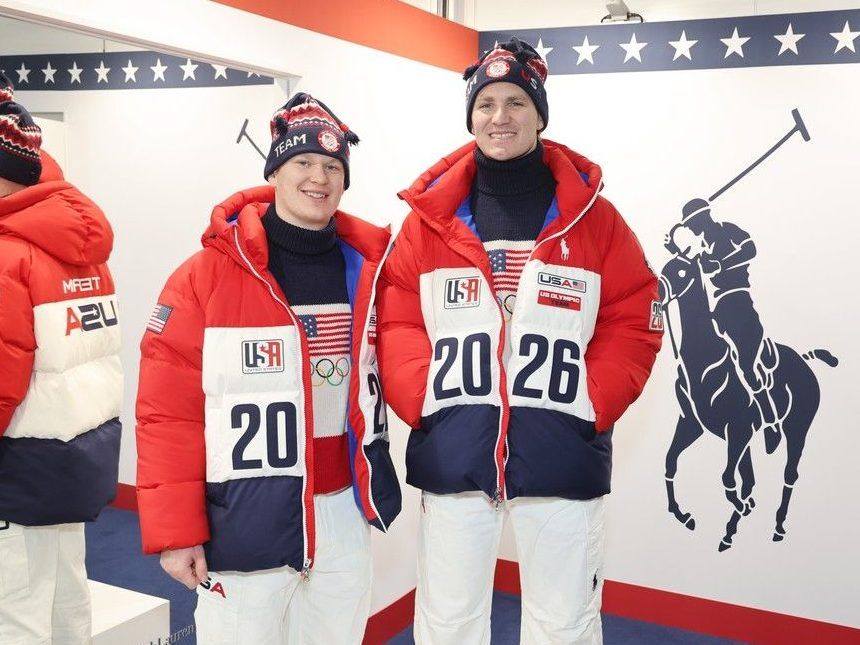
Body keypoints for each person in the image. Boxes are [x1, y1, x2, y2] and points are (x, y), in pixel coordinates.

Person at [377, 38, 662, 644]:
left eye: (514, 102)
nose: (499, 117)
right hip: (456, 451)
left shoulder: (594, 217)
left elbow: (634, 316)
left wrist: (592, 399)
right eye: (485, 104)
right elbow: (398, 319)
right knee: (447, 623)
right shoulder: (428, 220)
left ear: (539, 115)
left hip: (561, 449)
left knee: (564, 626)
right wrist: (425, 402)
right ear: (470, 115)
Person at [135, 92, 400, 644]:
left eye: (332, 166)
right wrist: (177, 532)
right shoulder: (204, 276)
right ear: (275, 170)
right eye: (303, 162)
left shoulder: (370, 271)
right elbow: (167, 415)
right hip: (243, 515)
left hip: (342, 512)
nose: (319, 177)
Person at [0, 71, 122, 644]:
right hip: (68, 461)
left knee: (15, 618)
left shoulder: (7, 250)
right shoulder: (77, 244)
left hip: (15, 471)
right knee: (66, 604)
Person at [667, 197, 781, 451]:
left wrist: (721, 264)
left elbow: (750, 249)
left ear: (703, 218)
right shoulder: (702, 247)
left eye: (693, 223)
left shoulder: (728, 230)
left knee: (746, 366)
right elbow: (692, 271)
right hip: (717, 308)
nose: (692, 229)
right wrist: (674, 252)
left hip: (739, 302)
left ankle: (770, 420)